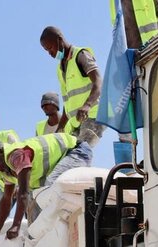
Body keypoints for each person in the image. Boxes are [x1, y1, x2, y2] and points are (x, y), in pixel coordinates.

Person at [0, 131, 77, 239]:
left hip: (74, 150)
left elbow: (23, 192)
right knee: (35, 215)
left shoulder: (17, 156)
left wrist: (16, 226)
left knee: (51, 190)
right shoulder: (5, 171)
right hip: (60, 161)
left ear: (1, 153)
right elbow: (7, 199)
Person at [39, 26, 104, 162]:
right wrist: (61, 127)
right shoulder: (60, 69)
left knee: (79, 154)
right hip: (76, 122)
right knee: (65, 157)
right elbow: (68, 102)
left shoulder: (80, 55)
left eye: (51, 48)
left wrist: (87, 105)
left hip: (93, 116)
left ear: (60, 40)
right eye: (46, 51)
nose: (50, 53)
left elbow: (99, 82)